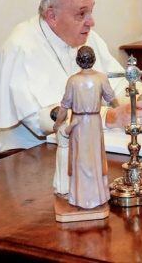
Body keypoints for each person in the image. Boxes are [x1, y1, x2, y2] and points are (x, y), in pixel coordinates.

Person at [0, 0, 142, 158]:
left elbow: (116, 82)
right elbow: (42, 119)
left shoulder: (87, 38)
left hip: (78, 149)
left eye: (91, 12)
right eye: (81, 14)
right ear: (52, 16)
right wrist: (110, 117)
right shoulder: (21, 47)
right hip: (23, 156)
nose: (91, 22)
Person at [53, 46, 114, 209]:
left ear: (78, 60)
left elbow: (64, 106)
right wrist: (127, 111)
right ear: (93, 59)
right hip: (92, 122)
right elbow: (112, 99)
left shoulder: (73, 80)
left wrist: (57, 123)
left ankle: (81, 197)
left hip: (79, 123)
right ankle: (96, 196)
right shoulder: (100, 78)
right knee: (94, 158)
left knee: (81, 159)